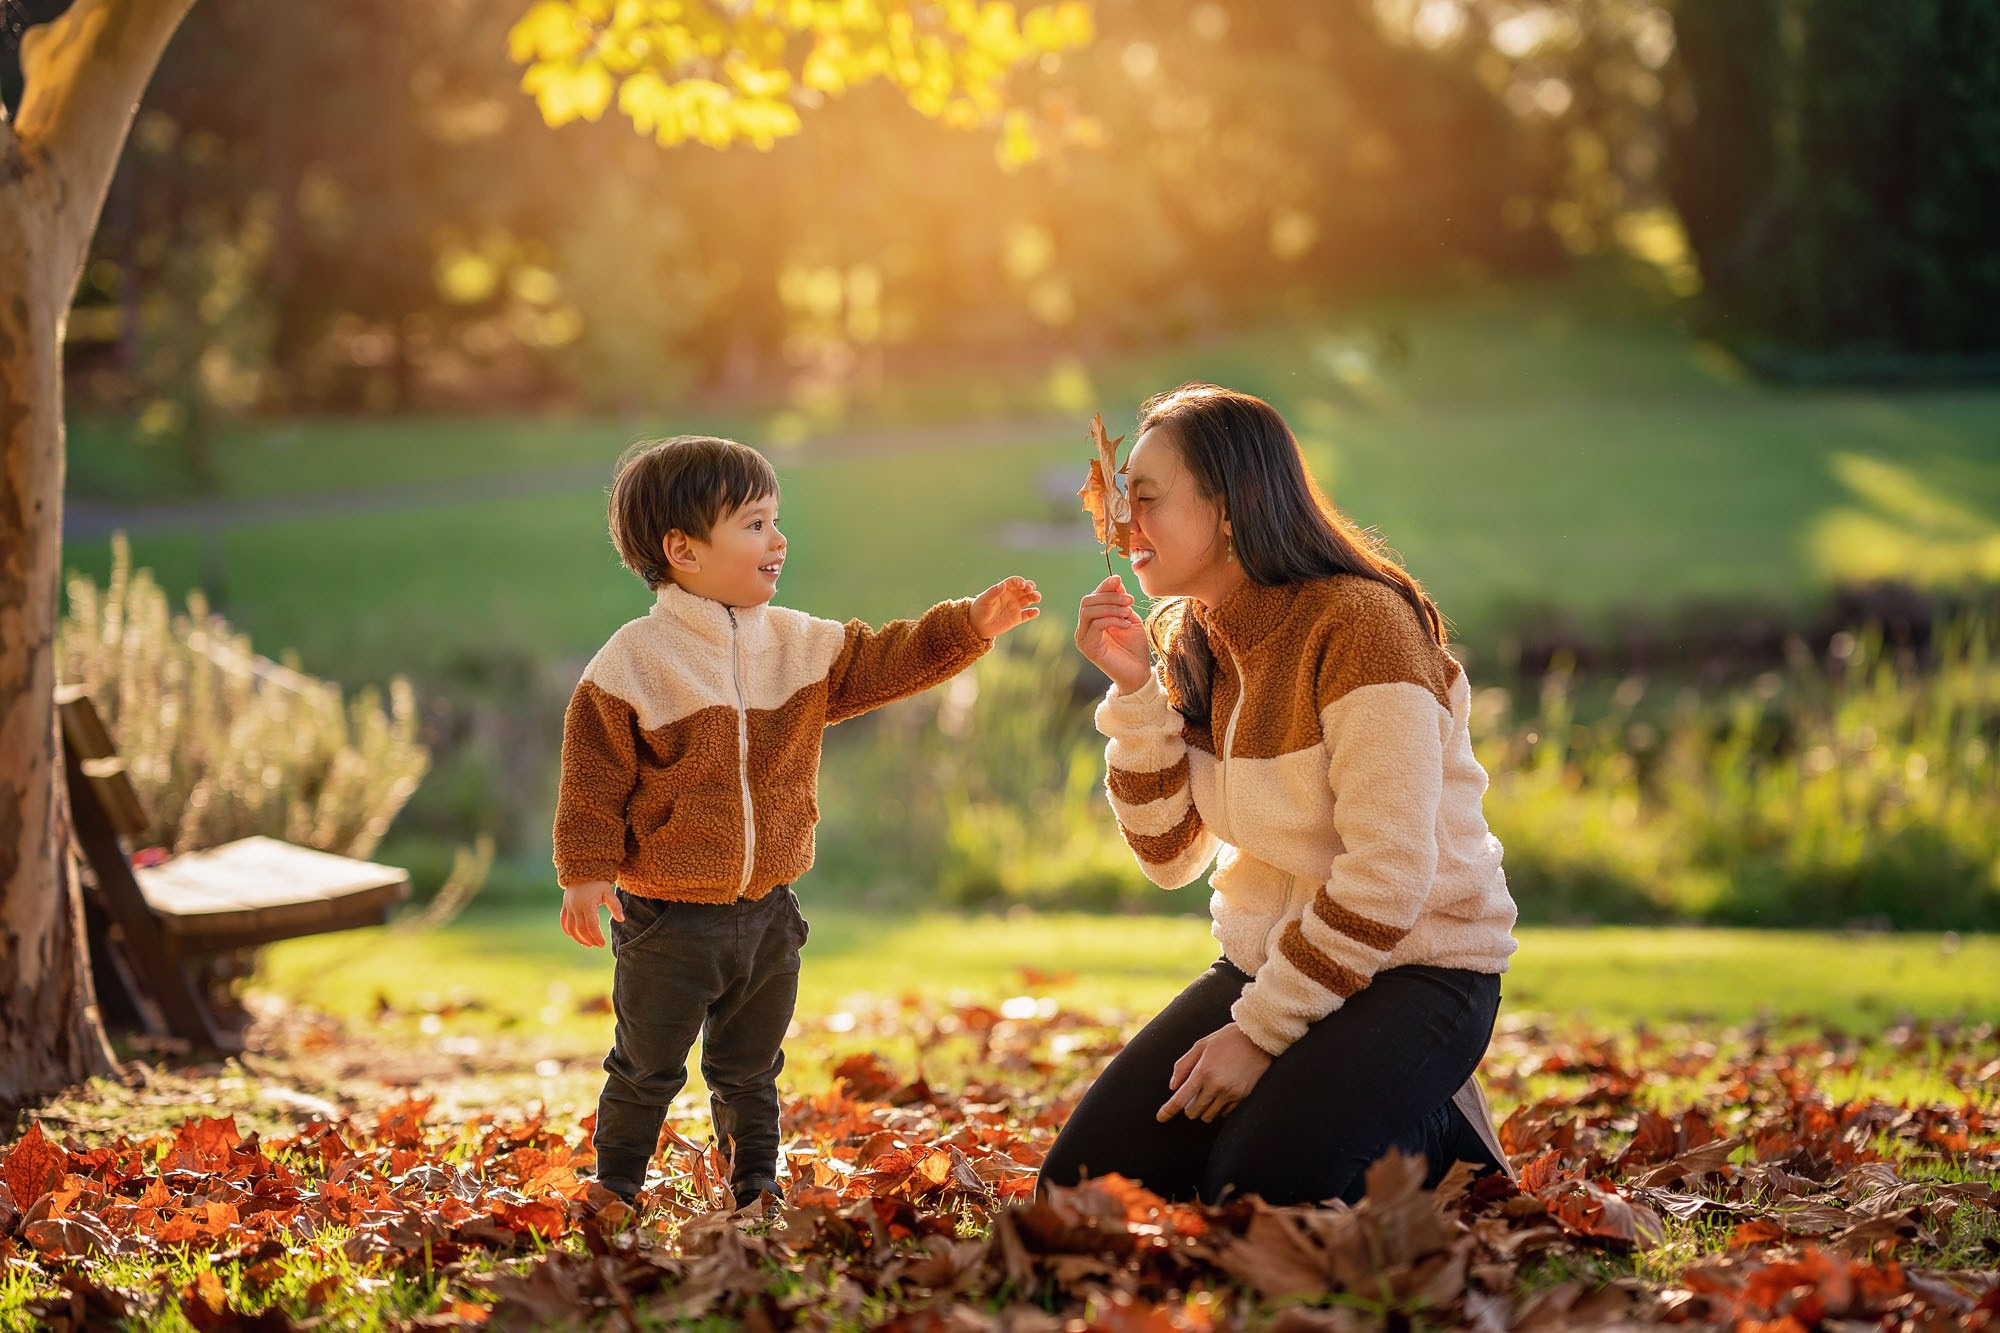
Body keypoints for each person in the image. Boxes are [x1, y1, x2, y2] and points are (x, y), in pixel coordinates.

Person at [1042, 384, 1518, 1206]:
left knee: (1255, 1195)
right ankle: (1329, 1105)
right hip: (1272, 964)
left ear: (1226, 508)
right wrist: (1136, 692)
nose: (1124, 526)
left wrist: (1257, 1038)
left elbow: (1390, 873)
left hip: (1418, 971)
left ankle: (1440, 1136)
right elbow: (1168, 856)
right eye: (1122, 502)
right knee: (1078, 1192)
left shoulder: (1360, 626)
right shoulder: (1200, 641)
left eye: (1146, 500)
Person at [554, 435, 1041, 1210]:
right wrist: (585, 871)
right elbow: (591, 778)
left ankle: (755, 1185)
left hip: (769, 913)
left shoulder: (800, 646)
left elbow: (890, 657)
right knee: (646, 1064)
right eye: (754, 524)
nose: (778, 540)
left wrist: (971, 624)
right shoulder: (635, 662)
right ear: (683, 549)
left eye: (776, 519)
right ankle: (616, 1183)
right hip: (667, 922)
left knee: (751, 1066)